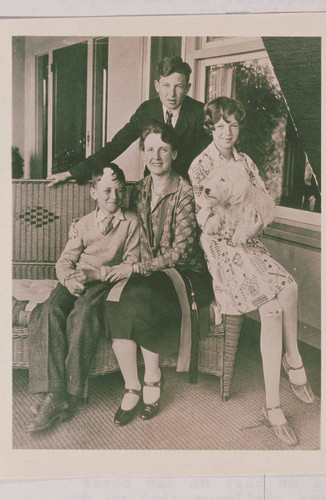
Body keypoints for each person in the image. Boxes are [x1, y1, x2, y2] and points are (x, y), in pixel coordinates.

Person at [189, 96, 314, 447]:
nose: (227, 131)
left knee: (289, 288)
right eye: (219, 125)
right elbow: (205, 218)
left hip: (249, 240)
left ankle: (293, 360)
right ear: (210, 128)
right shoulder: (201, 166)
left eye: (233, 124)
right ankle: (273, 406)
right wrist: (239, 227)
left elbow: (262, 206)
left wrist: (255, 227)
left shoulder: (246, 161)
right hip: (223, 248)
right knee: (271, 309)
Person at [101, 121, 213, 427]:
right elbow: (121, 219)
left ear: (174, 153)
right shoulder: (142, 188)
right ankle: (132, 387)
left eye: (163, 149)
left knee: (141, 296)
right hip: (149, 272)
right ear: (143, 153)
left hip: (184, 275)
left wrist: (135, 267)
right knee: (113, 300)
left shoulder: (185, 192)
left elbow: (181, 252)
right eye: (150, 149)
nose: (156, 156)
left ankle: (152, 378)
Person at [26, 163, 140, 433]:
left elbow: (132, 261)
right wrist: (68, 279)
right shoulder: (83, 224)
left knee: (83, 315)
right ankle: (54, 392)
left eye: (119, 191)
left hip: (104, 282)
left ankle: (69, 393)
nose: (114, 196)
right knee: (47, 310)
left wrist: (97, 273)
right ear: (93, 193)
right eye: (107, 190)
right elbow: (65, 260)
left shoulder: (131, 222)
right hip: (76, 279)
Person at [47, 56, 210, 186]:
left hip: (189, 187)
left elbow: (208, 159)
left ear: (187, 88)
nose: (171, 94)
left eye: (178, 86)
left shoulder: (199, 113)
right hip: (153, 185)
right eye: (166, 85)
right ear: (156, 85)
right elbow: (115, 146)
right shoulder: (147, 110)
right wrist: (72, 173)